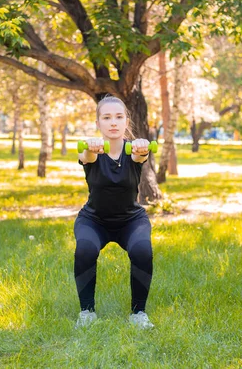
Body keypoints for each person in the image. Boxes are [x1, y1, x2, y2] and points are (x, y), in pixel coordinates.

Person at [74, 95, 154, 329]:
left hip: (131, 220)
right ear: (98, 123)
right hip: (94, 220)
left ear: (126, 121)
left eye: (119, 117)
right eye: (106, 117)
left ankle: (138, 314)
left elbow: (141, 155)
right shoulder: (91, 151)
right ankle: (87, 312)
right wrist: (90, 147)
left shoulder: (133, 151)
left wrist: (142, 147)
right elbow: (86, 157)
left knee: (142, 250)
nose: (113, 122)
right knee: (85, 249)